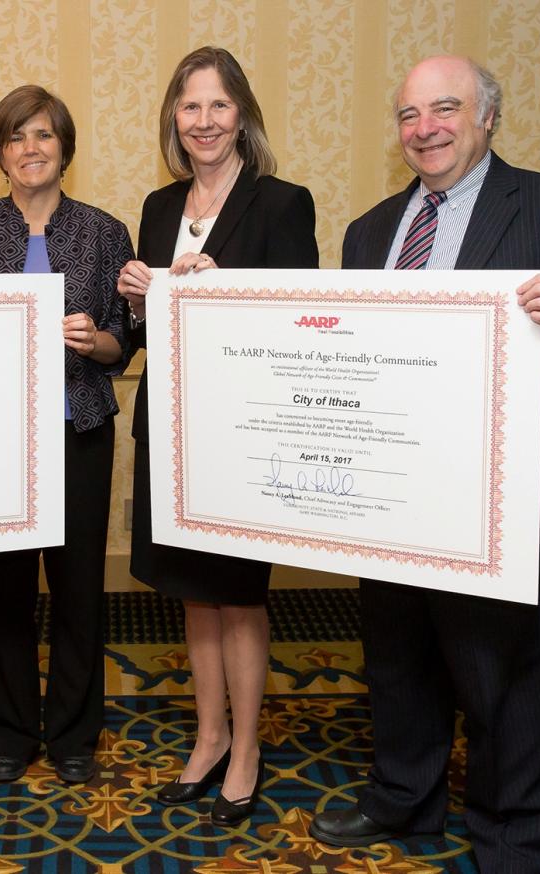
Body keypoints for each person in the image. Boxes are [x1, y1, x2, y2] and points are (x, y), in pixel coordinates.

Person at [307, 56, 540, 872]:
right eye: (409, 115)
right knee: (399, 661)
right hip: (390, 492)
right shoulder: (369, 231)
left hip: (498, 497)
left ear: (487, 116)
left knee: (509, 677)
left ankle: (514, 836)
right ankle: (406, 801)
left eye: (445, 109)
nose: (425, 128)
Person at [116, 46, 319, 827]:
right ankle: (206, 739)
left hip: (243, 429)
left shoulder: (280, 202)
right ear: (175, 116)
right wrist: (138, 298)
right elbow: (142, 337)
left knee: (238, 595)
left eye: (219, 106)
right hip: (169, 427)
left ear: (243, 116)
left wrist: (223, 287)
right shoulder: (158, 207)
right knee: (191, 595)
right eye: (191, 106)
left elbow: (295, 319)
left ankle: (246, 750)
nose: (204, 121)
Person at [0, 85, 132, 786]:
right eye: (16, 137)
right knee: (6, 591)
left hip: (78, 426)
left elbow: (125, 343)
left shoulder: (105, 232)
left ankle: (76, 733)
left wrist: (96, 339)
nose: (30, 149)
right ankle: (12, 731)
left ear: (65, 148)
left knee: (79, 587)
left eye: (44, 135)